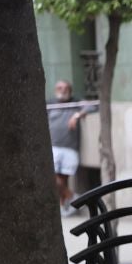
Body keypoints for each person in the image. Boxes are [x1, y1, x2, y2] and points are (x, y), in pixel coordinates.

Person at [47, 80, 93, 212]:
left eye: (66, 88)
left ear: (70, 90)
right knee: (53, 178)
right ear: (56, 90)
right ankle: (72, 197)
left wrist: (77, 115)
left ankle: (63, 207)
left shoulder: (75, 103)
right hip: (53, 147)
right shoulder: (50, 104)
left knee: (63, 178)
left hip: (70, 148)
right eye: (60, 88)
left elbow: (93, 106)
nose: (63, 90)